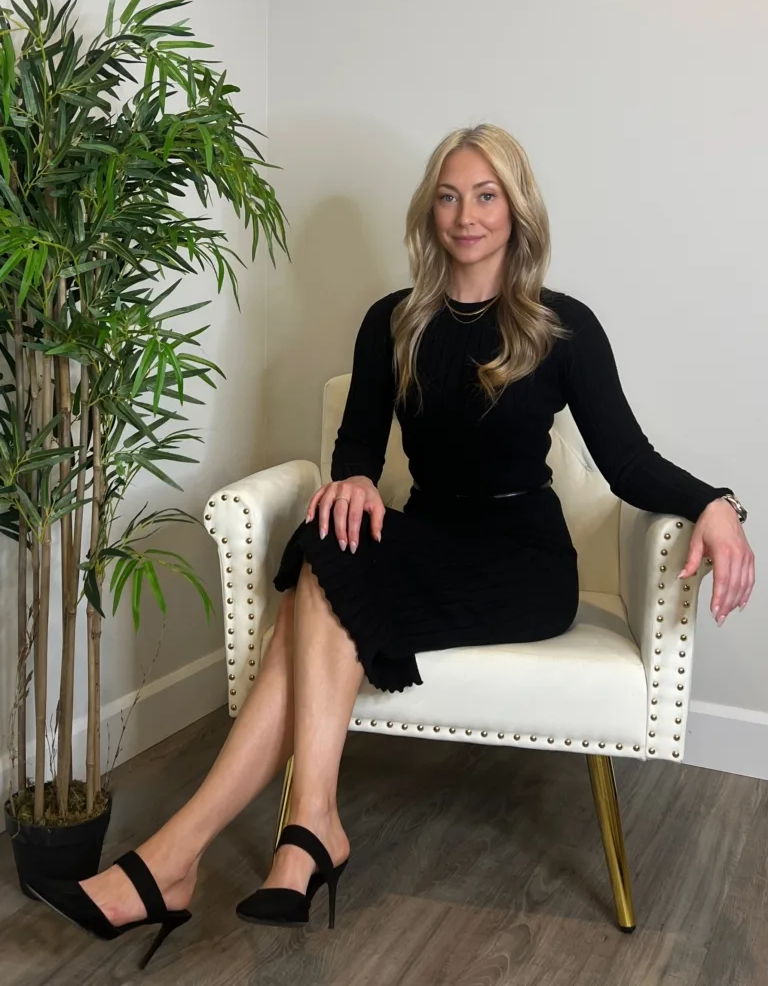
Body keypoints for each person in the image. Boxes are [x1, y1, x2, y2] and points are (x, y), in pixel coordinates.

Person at [30, 124, 755, 967]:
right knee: (328, 534)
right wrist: (355, 482)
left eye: (486, 196)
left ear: (517, 211)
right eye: (449, 196)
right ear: (428, 211)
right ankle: (285, 835)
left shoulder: (563, 327)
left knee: (313, 589)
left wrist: (717, 503)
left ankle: (201, 854)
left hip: (522, 562)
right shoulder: (394, 321)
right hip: (429, 534)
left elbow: (628, 461)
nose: (466, 215)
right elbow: (358, 451)